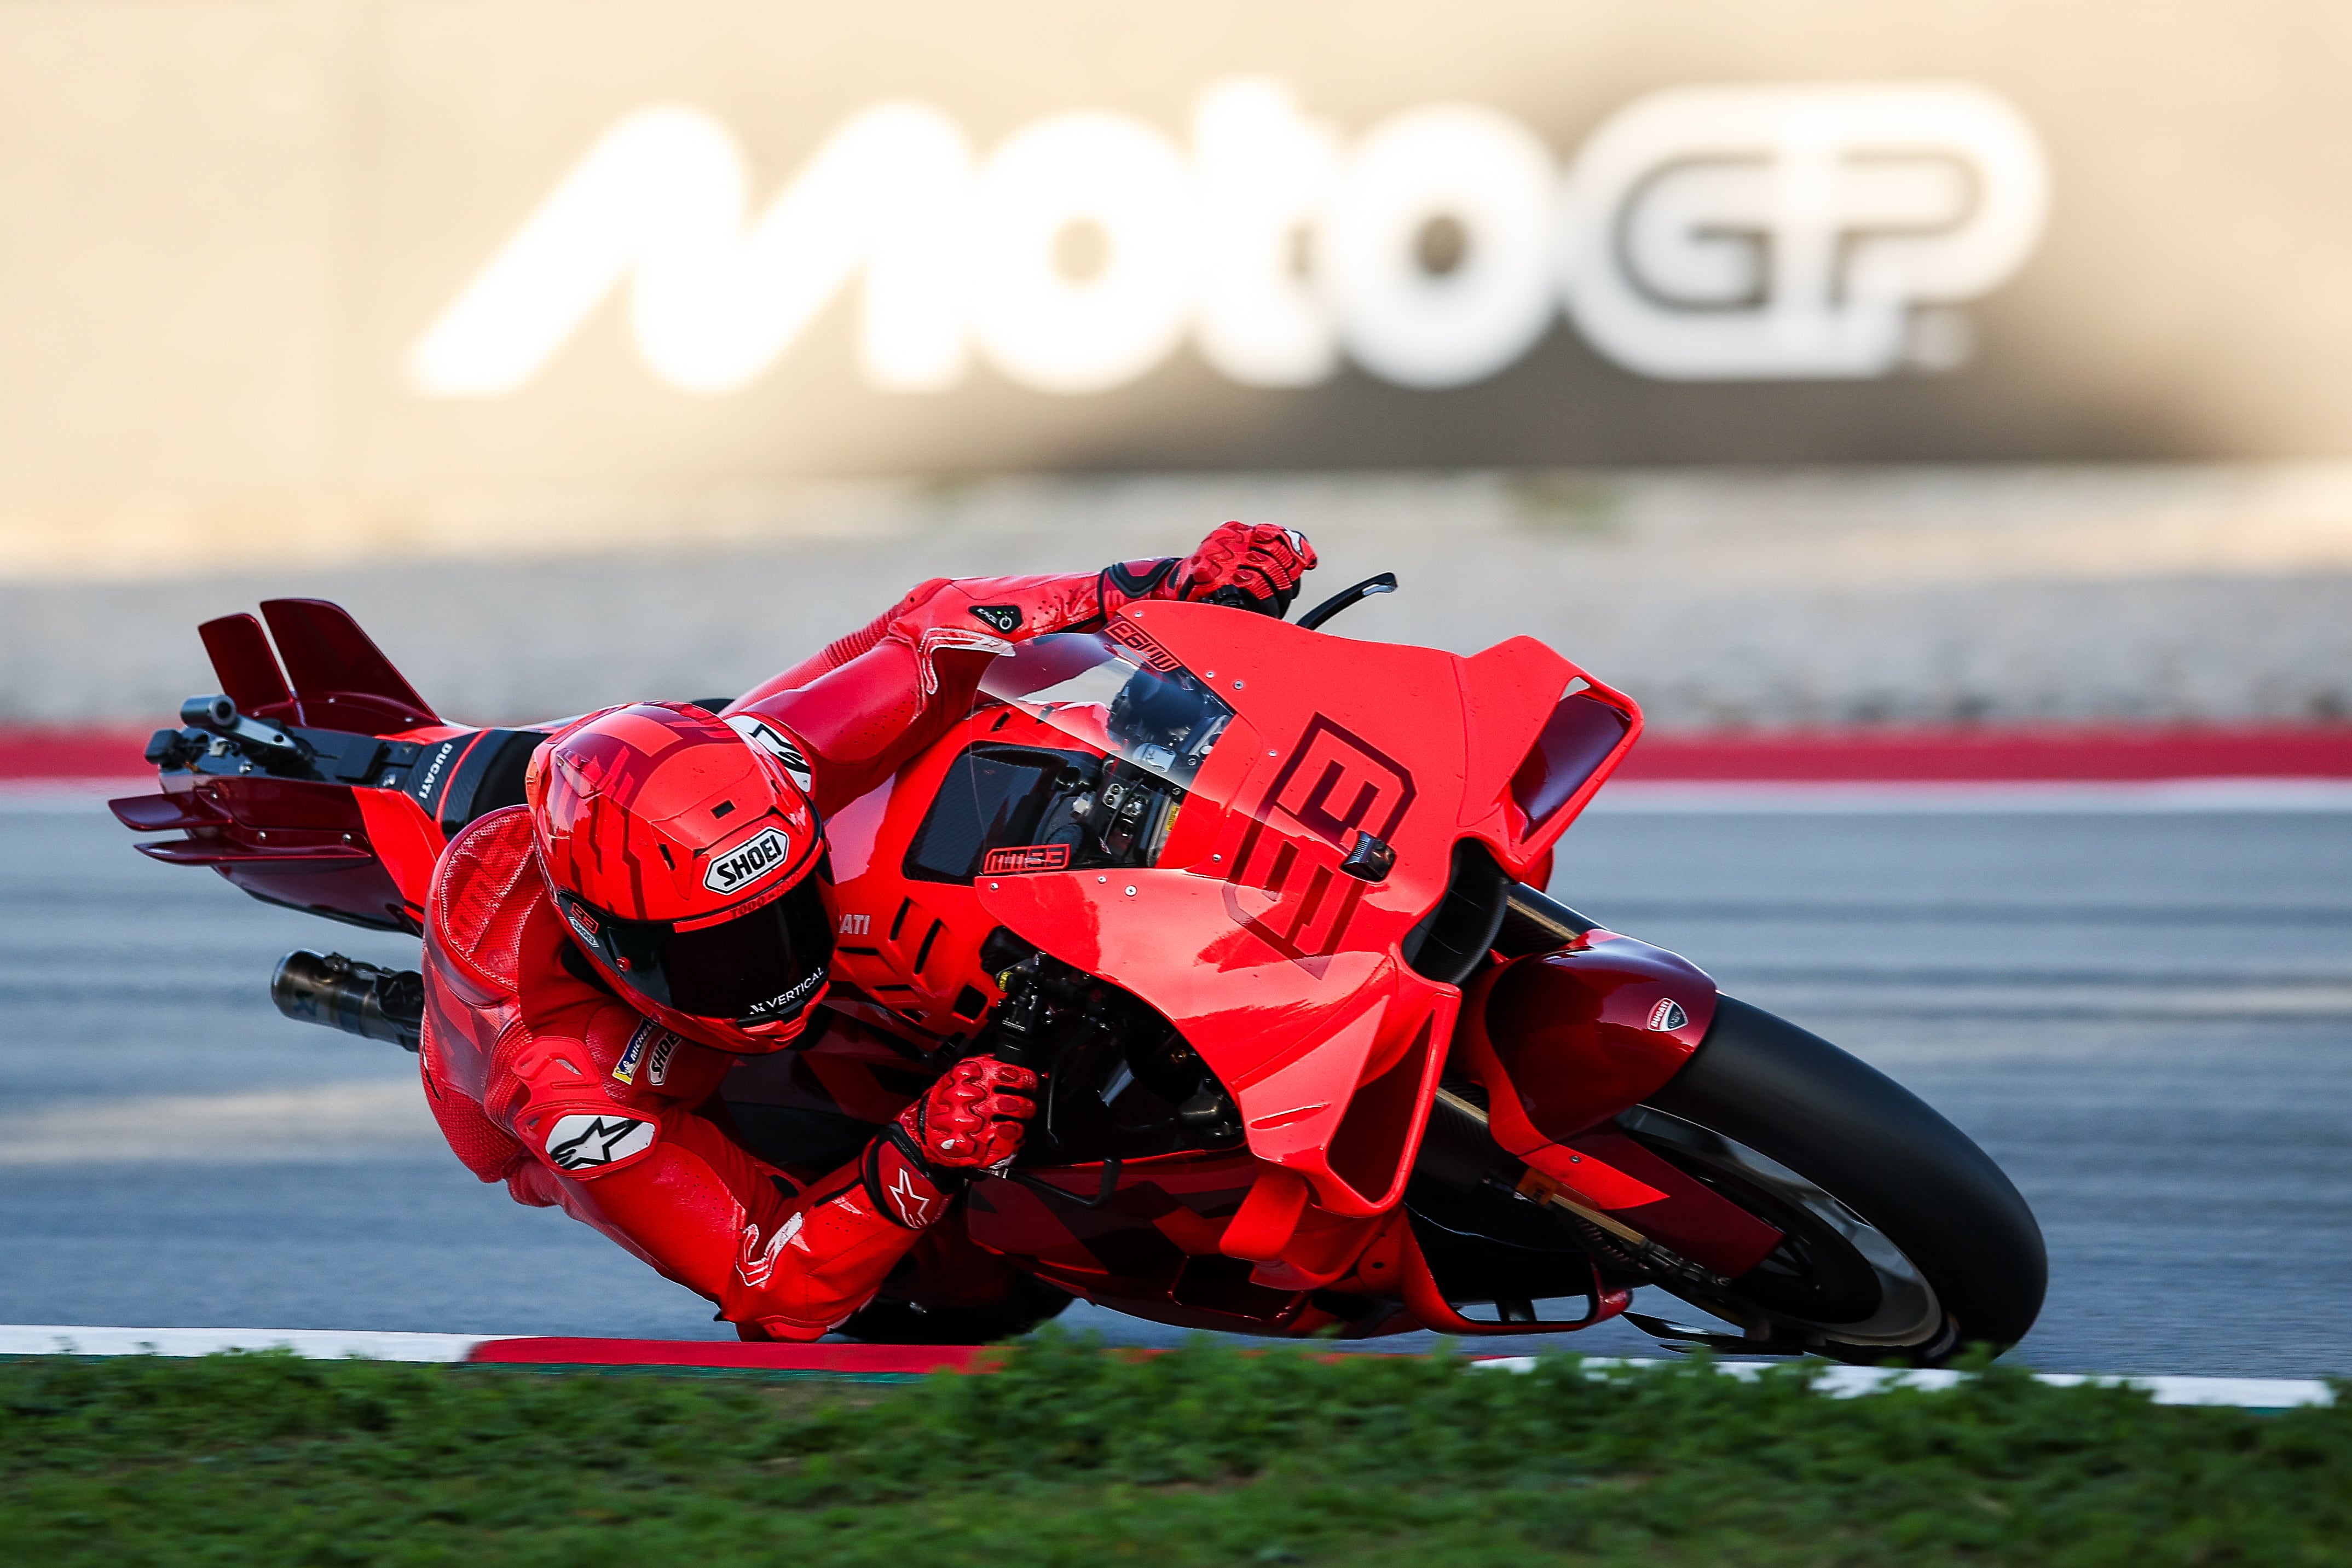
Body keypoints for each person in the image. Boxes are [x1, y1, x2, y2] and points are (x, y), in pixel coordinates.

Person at [415, 523, 1318, 1341]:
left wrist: (1163, 583)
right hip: (592, 1086)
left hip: (672, 787)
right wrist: (919, 1153)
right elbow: (767, 1288)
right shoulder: (563, 1085)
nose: (777, 971)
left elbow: (936, 627)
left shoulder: (776, 765)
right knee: (961, 1280)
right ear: (610, 944)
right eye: (724, 954)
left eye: (785, 911)